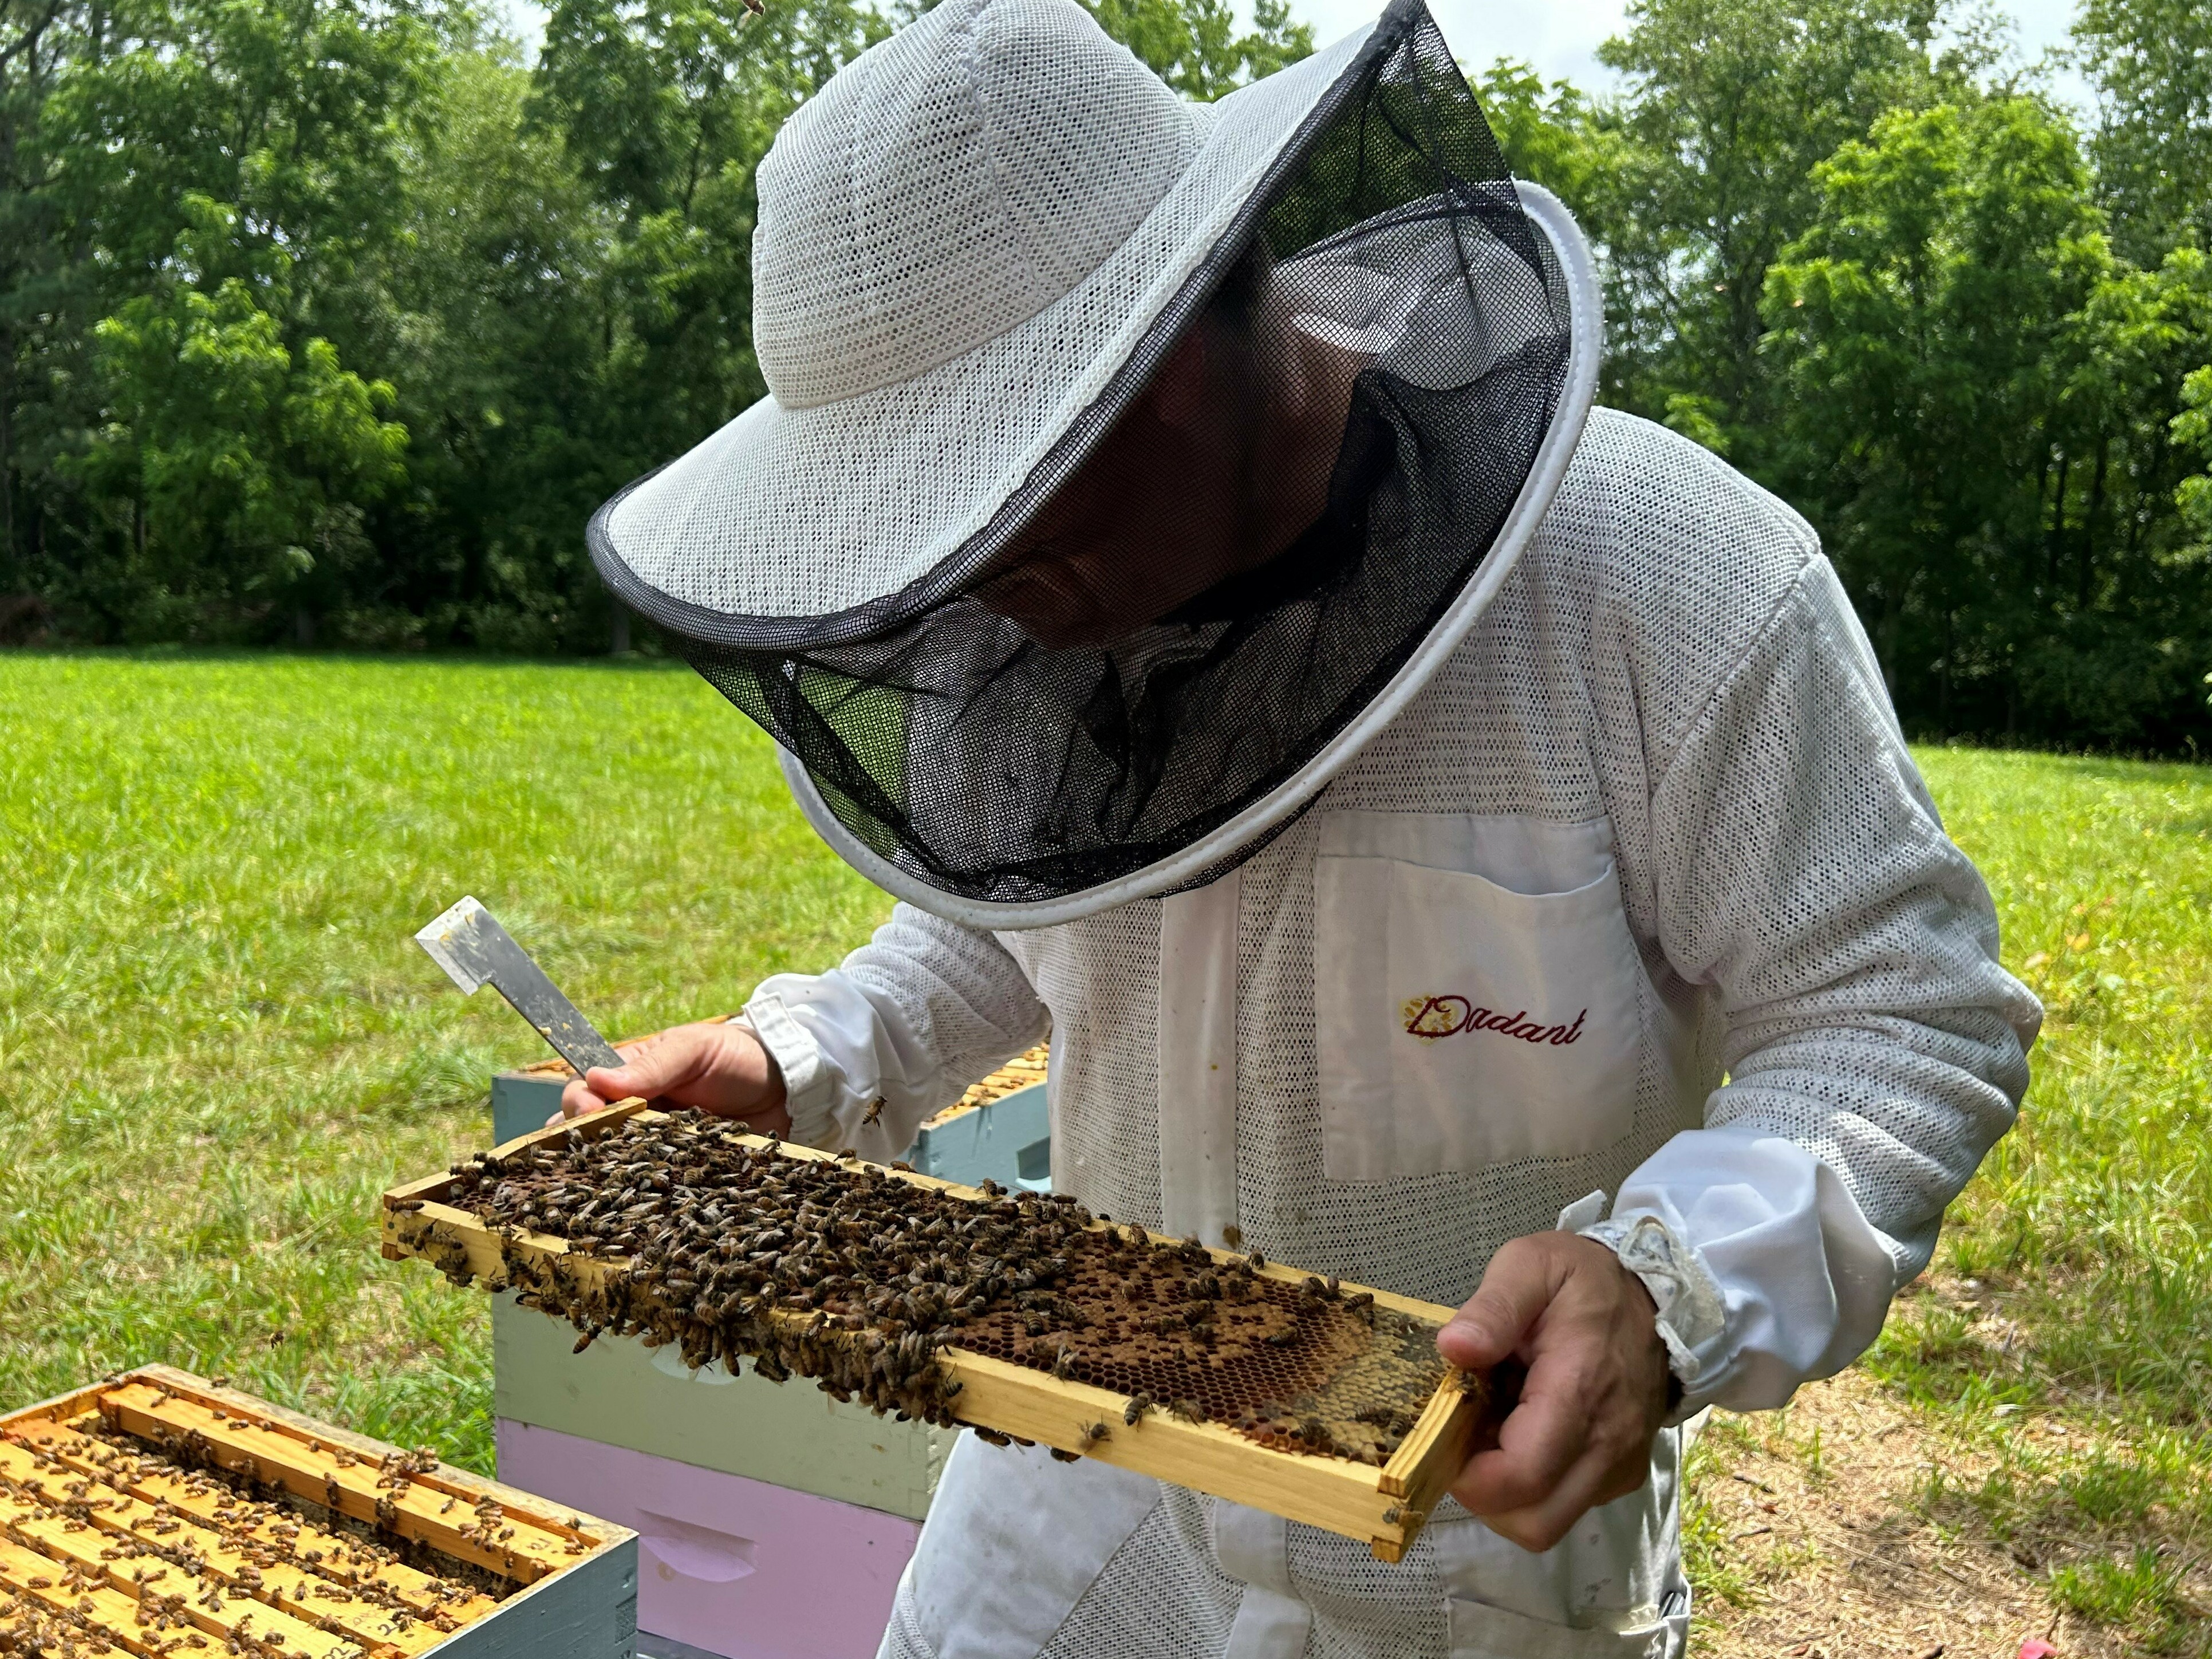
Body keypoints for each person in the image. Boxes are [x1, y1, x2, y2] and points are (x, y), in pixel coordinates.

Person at [561, 0, 2043, 1652]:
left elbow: (1903, 1014)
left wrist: (1667, 1285)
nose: (965, 582)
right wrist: (811, 1051)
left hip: (1461, 1548)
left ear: (1181, 345)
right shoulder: (1052, 617)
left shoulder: (1664, 581)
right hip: (1085, 1463)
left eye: (994, 493)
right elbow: (1013, 914)